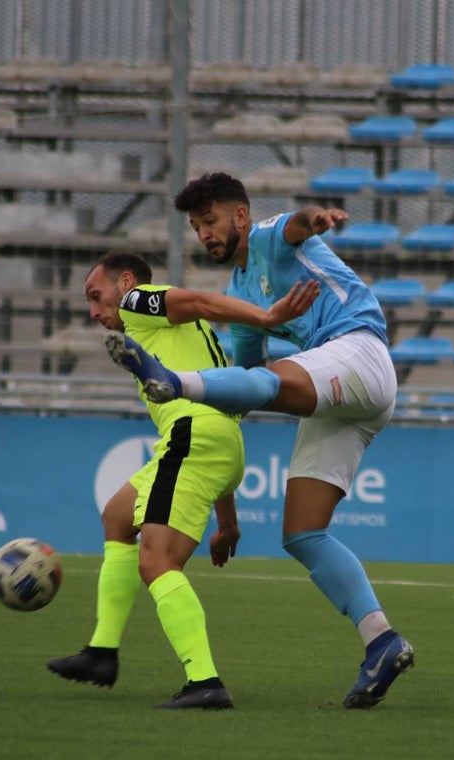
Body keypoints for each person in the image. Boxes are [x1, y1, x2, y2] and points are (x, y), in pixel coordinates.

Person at [104, 172, 415, 709]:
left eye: (210, 221)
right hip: (342, 394)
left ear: (240, 217)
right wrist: (228, 516)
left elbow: (296, 226)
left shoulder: (271, 234)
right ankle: (382, 641)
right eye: (197, 227)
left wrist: (315, 219)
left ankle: (173, 383)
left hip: (358, 351)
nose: (204, 234)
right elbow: (242, 391)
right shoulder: (241, 293)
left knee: (269, 378)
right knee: (302, 533)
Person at [47, 251, 317, 709]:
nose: (94, 312)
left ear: (126, 282)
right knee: (117, 517)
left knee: (156, 563)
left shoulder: (137, 302)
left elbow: (201, 301)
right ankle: (101, 652)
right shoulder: (163, 332)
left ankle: (205, 682)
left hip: (195, 436)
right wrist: (227, 522)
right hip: (214, 439)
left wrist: (267, 316)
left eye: (97, 296)